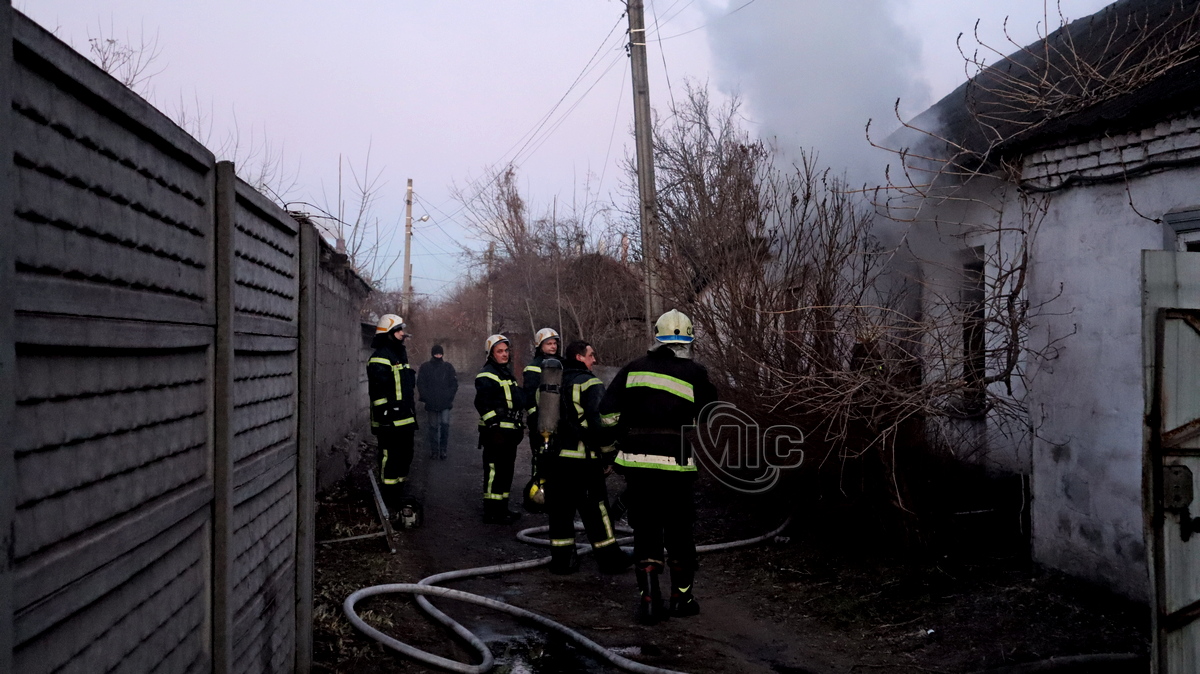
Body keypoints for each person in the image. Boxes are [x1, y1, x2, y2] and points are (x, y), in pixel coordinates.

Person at [599, 309, 718, 625]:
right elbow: (710, 414)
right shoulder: (696, 373)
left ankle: (650, 603)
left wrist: (617, 441)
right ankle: (682, 599)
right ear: (689, 340)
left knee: (646, 528)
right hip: (676, 462)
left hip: (638, 462)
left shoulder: (632, 369)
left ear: (656, 337)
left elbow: (607, 416)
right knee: (679, 528)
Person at [545, 340, 631, 575]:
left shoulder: (553, 382)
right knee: (597, 510)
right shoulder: (590, 383)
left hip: (556, 460)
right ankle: (610, 559)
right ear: (580, 357)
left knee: (560, 512)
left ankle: (562, 561)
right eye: (591, 355)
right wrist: (608, 457)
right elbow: (600, 425)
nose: (594, 360)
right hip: (584, 461)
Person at [367, 314, 418, 516]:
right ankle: (387, 500)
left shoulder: (399, 356)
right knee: (390, 459)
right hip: (389, 422)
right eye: (398, 330)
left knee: (405, 457)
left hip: (405, 420)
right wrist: (384, 418)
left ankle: (398, 494)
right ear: (388, 333)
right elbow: (378, 393)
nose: (402, 334)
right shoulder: (381, 357)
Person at [475, 334, 526, 524]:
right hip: (495, 434)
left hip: (509, 433)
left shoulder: (506, 374)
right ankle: (491, 511)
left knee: (506, 471)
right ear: (491, 354)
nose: (505, 354)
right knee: (494, 472)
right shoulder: (487, 374)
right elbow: (482, 403)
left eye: (506, 351)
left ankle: (502, 509)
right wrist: (493, 426)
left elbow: (517, 401)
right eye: (500, 351)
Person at [417, 344, 458, 460]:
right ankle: (434, 451)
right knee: (433, 427)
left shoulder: (448, 367)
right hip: (431, 402)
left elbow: (454, 384)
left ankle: (443, 450)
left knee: (445, 425)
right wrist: (425, 396)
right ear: (432, 354)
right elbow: (421, 383)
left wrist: (449, 396)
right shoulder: (426, 367)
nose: (438, 356)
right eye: (436, 354)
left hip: (444, 402)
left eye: (440, 354)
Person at [522, 327, 560, 437]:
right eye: (549, 344)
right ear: (540, 345)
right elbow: (529, 396)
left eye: (555, 343)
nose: (553, 346)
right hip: (540, 418)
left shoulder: (563, 364)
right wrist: (535, 417)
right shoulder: (532, 367)